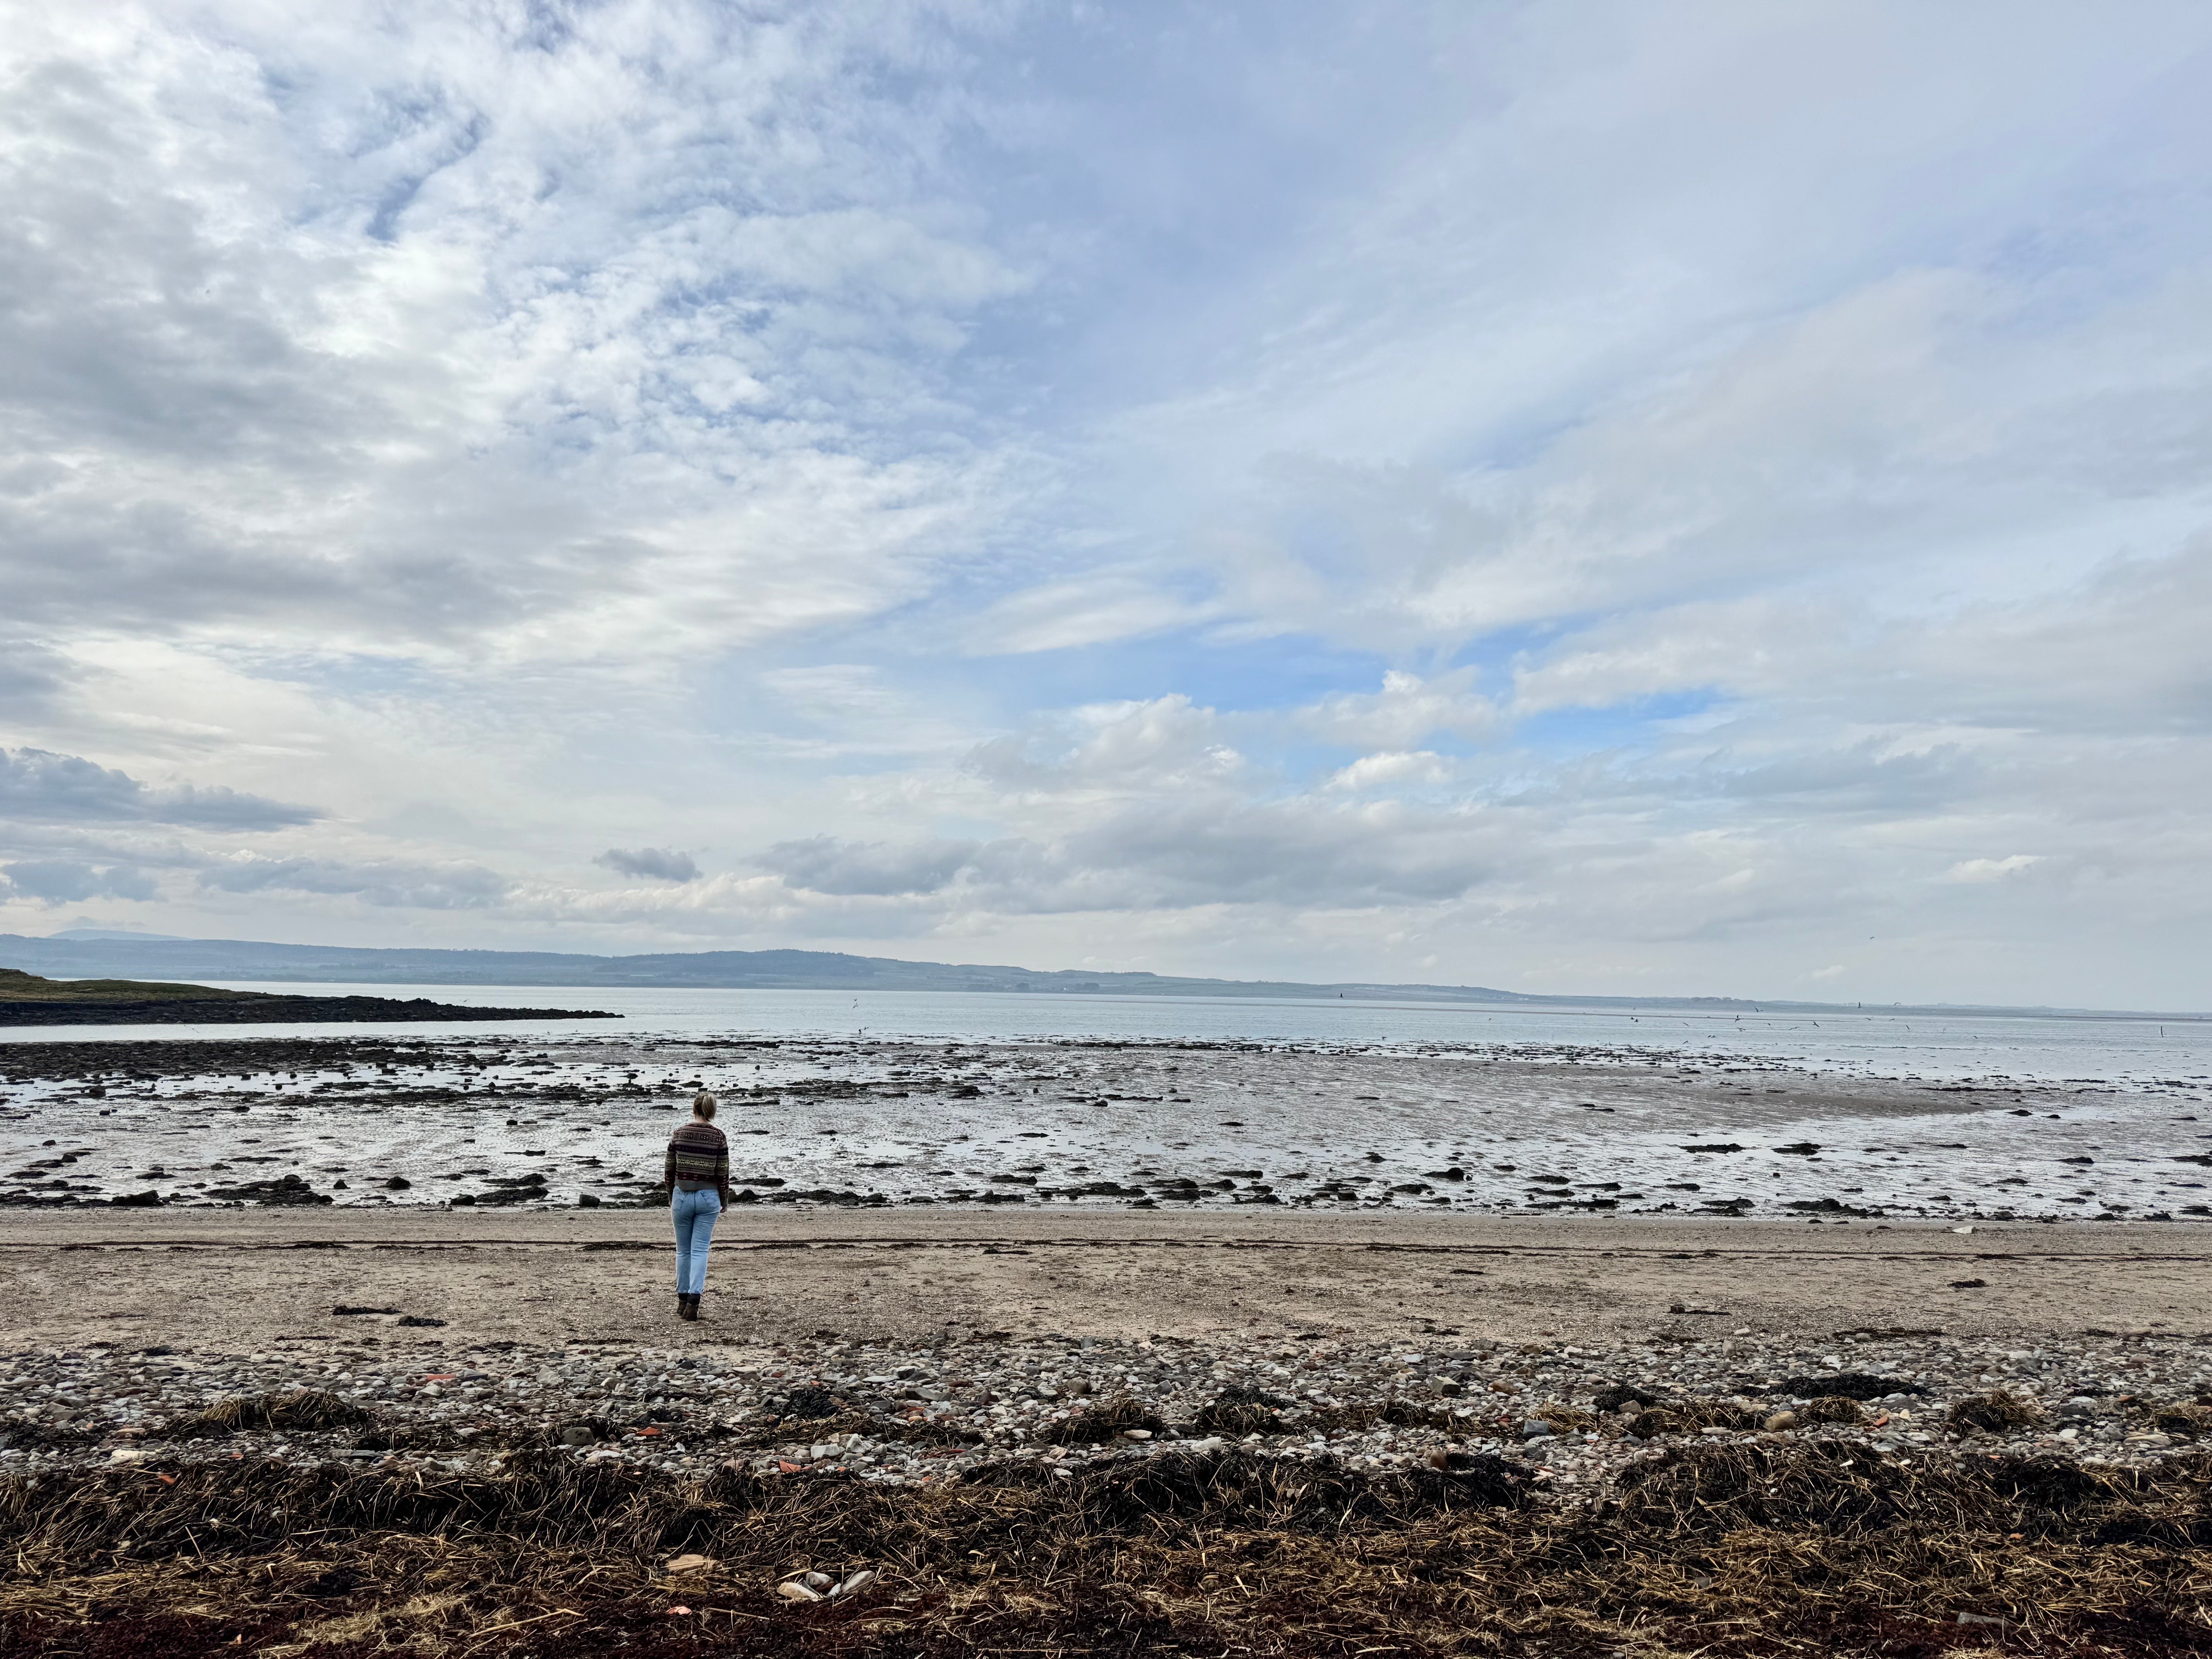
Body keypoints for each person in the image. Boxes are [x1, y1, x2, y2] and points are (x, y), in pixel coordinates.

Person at [663, 1090, 732, 1321]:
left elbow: (669, 1169)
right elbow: (723, 1172)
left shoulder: (679, 1133)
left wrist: (671, 1196)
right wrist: (724, 1199)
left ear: (694, 1109)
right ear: (711, 1111)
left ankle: (682, 1301)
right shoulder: (719, 1136)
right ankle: (694, 1302)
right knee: (700, 1249)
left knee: (683, 1251)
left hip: (682, 1195)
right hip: (708, 1197)